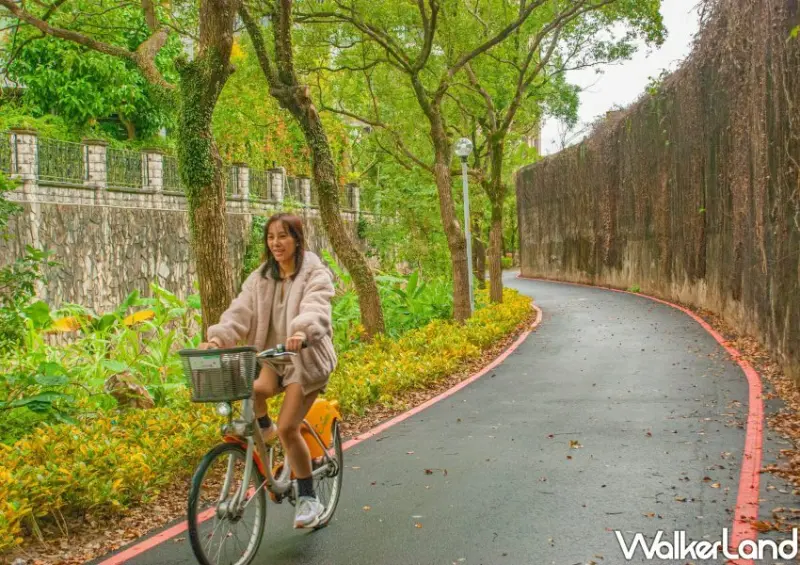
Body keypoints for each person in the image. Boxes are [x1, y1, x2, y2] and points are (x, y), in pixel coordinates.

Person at [198, 212, 337, 529]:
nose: (276, 243)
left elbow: (317, 306)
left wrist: (301, 331)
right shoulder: (260, 278)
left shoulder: (315, 273)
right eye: (271, 237)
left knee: (289, 427)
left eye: (283, 236)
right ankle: (265, 429)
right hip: (273, 357)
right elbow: (239, 311)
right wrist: (218, 339)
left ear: (297, 240)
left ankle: (307, 498)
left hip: (306, 359)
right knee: (254, 390)